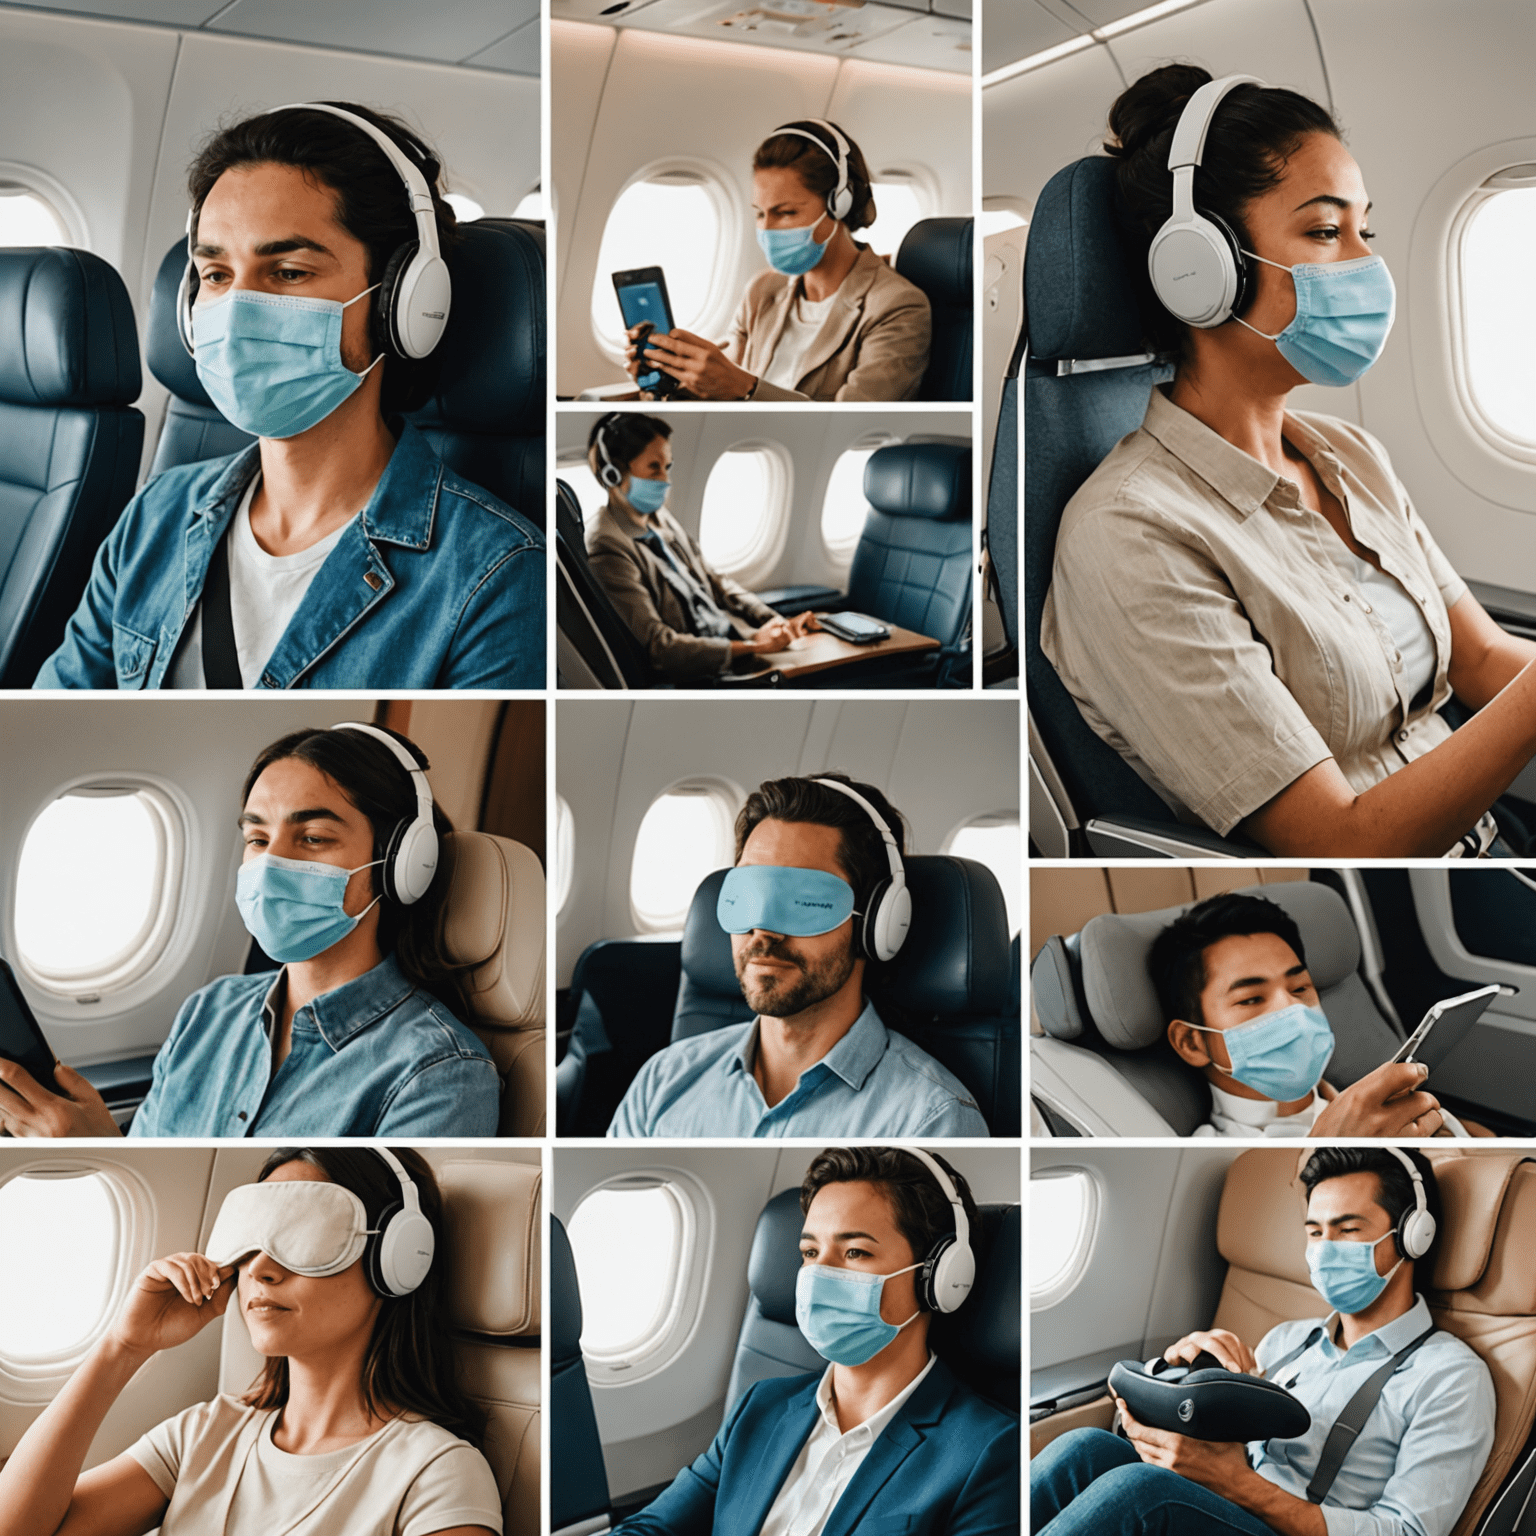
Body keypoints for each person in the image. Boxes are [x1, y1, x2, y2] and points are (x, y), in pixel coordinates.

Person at [1040, 66, 1536, 856]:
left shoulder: (1351, 454)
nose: (1366, 267)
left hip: (1486, 842)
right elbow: (1341, 841)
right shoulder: (1128, 534)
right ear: (1197, 270)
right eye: (1323, 231)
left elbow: (1476, 655)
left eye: (1364, 231)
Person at [35, 101, 543, 690]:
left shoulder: (494, 574)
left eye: (289, 272)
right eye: (218, 276)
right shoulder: (157, 515)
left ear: (403, 304)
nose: (238, 310)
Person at [0, 725, 500, 1138]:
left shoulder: (439, 1072)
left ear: (401, 865)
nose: (271, 862)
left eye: (313, 838)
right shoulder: (209, 1010)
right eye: (257, 838)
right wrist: (106, 1143)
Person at [0, 1146, 500, 1536]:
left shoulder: (435, 1472)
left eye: (302, 1235)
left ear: (398, 1259)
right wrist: (123, 1347)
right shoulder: (204, 1433)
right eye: (252, 1241)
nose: (259, 1268)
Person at [1032, 1146, 1496, 1536]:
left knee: (1139, 1492)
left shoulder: (1450, 1377)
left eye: (1348, 1229)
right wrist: (1178, 1381)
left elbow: (1407, 1532)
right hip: (1225, 1506)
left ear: (1414, 1237)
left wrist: (1233, 1483)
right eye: (1315, 1231)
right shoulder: (1286, 1340)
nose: (1325, 1248)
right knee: (1084, 1448)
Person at [612, 1147, 1018, 1536]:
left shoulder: (985, 1450)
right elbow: (653, 1526)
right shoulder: (760, 1409)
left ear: (940, 1277)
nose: (818, 1274)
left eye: (855, 1252)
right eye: (809, 1251)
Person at [609, 773, 989, 1137]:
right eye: (749, 895)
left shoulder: (931, 1119)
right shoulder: (662, 1081)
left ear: (878, 922)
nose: (763, 930)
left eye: (805, 900)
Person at [624, 120, 931, 402]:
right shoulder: (761, 291)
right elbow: (723, 390)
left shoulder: (897, 306)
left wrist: (745, 387)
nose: (767, 229)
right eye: (760, 213)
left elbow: (848, 421)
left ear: (839, 204)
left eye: (786, 213)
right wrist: (671, 379)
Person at [1149, 891, 1455, 1139]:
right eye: (1252, 999)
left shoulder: (1387, 1103)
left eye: (1299, 989)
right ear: (1192, 1042)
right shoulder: (1223, 1161)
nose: (1292, 1009)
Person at [582, 412, 817, 682]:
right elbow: (660, 647)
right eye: (654, 467)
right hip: (705, 668)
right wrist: (755, 647)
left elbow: (716, 582)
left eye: (667, 467)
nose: (665, 480)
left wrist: (774, 621)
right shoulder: (606, 545)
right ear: (614, 474)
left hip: (734, 638)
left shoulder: (658, 517)